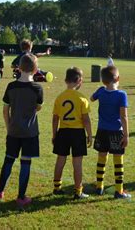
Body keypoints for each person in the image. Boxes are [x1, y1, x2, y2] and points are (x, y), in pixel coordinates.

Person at [0, 54, 43, 208]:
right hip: (30, 133)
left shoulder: (11, 87)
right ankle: (21, 197)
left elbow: (5, 110)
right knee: (26, 163)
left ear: (18, 67)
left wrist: (8, 127)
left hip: (13, 131)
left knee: (8, 160)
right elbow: (38, 107)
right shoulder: (38, 88)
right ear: (35, 69)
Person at [90, 66, 131, 199]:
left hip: (102, 131)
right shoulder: (121, 94)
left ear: (103, 81)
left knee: (101, 157)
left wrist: (100, 91)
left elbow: (91, 98)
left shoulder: (101, 91)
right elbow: (124, 117)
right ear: (118, 78)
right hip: (116, 132)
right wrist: (126, 135)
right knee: (118, 160)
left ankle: (99, 187)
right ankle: (119, 191)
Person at [52, 67, 92, 199]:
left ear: (65, 80)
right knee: (77, 163)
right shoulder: (82, 98)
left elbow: (55, 118)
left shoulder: (60, 97)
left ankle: (57, 187)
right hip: (77, 133)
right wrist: (89, 135)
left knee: (60, 159)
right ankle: (78, 191)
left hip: (63, 132)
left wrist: (54, 134)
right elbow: (86, 120)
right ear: (79, 81)